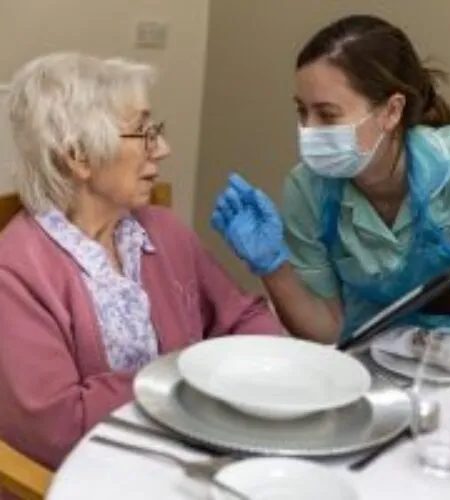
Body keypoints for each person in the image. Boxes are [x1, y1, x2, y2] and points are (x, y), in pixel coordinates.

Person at [211, 14, 450, 346]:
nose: (308, 130)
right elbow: (326, 329)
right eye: (301, 111)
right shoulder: (307, 189)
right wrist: (273, 268)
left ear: (391, 111)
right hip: (372, 371)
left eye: (326, 115)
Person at [0, 52, 283, 470]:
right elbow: (61, 428)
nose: (163, 149)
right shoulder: (15, 273)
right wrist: (196, 378)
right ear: (78, 156)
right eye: (144, 133)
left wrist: (278, 370)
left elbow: (241, 316)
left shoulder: (162, 231)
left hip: (187, 454)